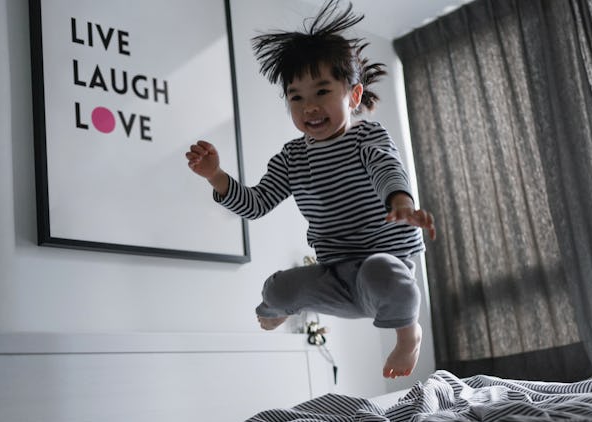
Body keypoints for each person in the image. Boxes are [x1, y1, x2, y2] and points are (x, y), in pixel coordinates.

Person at [185, 0, 435, 379]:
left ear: (352, 96)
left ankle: (407, 334)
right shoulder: (292, 158)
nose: (309, 107)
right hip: (336, 275)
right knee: (278, 288)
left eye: (321, 92)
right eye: (296, 97)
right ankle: (279, 309)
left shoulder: (367, 136)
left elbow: (386, 166)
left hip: (384, 271)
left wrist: (400, 200)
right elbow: (255, 203)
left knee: (386, 276)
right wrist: (216, 175)